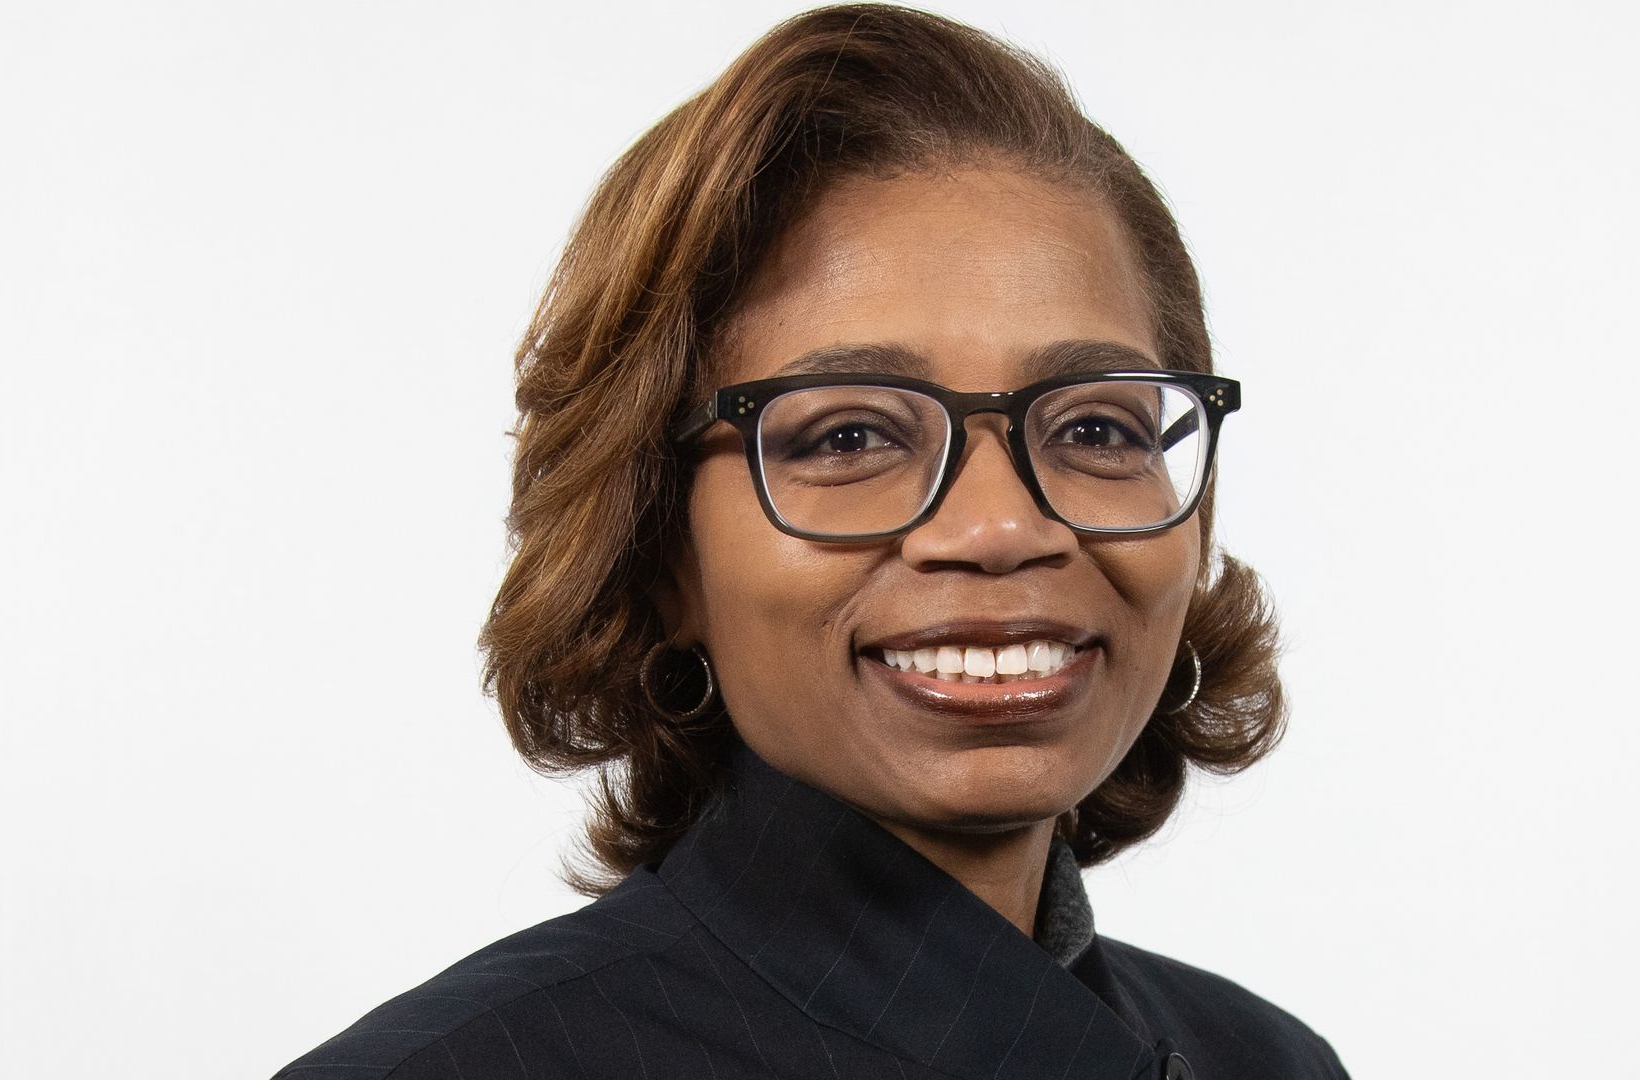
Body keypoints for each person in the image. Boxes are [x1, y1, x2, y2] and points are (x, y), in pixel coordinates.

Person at [273, 4, 1350, 1077]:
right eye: (848, 434)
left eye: (1095, 428)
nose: (1001, 526)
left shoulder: (1266, 1062)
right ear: (658, 549)